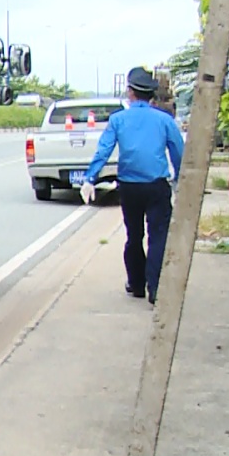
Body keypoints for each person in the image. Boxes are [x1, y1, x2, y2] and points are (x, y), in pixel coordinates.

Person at [83, 66, 185, 304]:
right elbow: (179, 151)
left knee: (134, 234)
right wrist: (180, 178)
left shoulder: (118, 120)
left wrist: (90, 178)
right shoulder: (165, 120)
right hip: (157, 185)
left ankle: (137, 284)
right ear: (151, 95)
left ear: (130, 92)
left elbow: (104, 150)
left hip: (129, 186)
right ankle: (156, 287)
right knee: (158, 236)